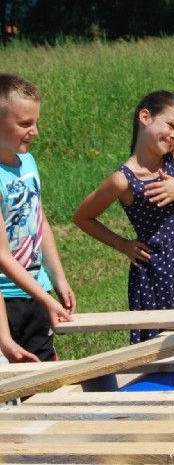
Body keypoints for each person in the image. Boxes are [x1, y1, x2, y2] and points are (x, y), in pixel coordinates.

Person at [74, 90, 174, 343]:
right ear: (145, 117)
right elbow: (82, 217)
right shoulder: (122, 180)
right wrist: (124, 245)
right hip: (156, 273)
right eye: (171, 125)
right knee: (161, 344)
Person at [0, 74, 75, 362]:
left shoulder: (28, 162)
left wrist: (58, 279)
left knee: (42, 367)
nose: (35, 131)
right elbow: (3, 256)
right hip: (5, 298)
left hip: (36, 288)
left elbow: (39, 221)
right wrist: (47, 300)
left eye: (35, 122)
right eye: (24, 124)